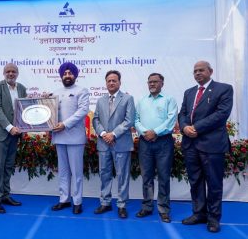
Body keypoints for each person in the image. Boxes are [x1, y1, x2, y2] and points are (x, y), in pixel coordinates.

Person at [179, 61, 233, 233]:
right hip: (191, 144)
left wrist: (196, 127)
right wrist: (185, 127)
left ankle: (213, 218)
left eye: (201, 70)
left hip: (212, 144)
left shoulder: (224, 89)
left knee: (214, 183)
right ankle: (199, 214)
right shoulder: (189, 92)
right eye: (195, 71)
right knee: (195, 182)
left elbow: (222, 114)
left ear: (210, 71)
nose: (197, 73)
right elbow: (183, 114)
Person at [134, 73, 178, 223]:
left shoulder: (169, 100)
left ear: (162, 83)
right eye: (150, 82)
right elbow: (136, 119)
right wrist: (145, 132)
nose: (152, 84)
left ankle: (164, 209)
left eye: (155, 82)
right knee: (146, 177)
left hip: (163, 142)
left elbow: (171, 120)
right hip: (145, 142)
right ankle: (147, 207)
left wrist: (155, 132)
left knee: (164, 177)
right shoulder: (141, 101)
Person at [92, 70, 135, 219]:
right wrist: (104, 134)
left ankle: (122, 205)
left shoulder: (128, 98)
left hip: (121, 143)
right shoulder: (100, 100)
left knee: (122, 175)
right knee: (104, 173)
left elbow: (129, 120)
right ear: (106, 83)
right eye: (109, 81)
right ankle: (105, 202)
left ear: (119, 82)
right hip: (104, 143)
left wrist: (113, 134)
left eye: (114, 80)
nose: (111, 83)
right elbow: (95, 119)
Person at [0, 63, 27, 213]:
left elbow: (25, 109)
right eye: (8, 71)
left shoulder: (21, 88)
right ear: (4, 73)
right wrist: (10, 127)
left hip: (15, 134)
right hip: (0, 134)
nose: (11, 74)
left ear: (17, 73)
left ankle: (5, 195)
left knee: (8, 166)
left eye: (13, 71)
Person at [51, 62, 89, 214]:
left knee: (76, 171)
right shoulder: (55, 92)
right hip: (59, 137)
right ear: (61, 76)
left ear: (75, 75)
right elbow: (51, 113)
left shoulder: (82, 90)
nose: (67, 76)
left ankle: (77, 201)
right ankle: (64, 199)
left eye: (70, 73)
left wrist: (65, 124)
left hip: (75, 138)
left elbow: (82, 111)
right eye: (64, 74)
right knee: (63, 171)